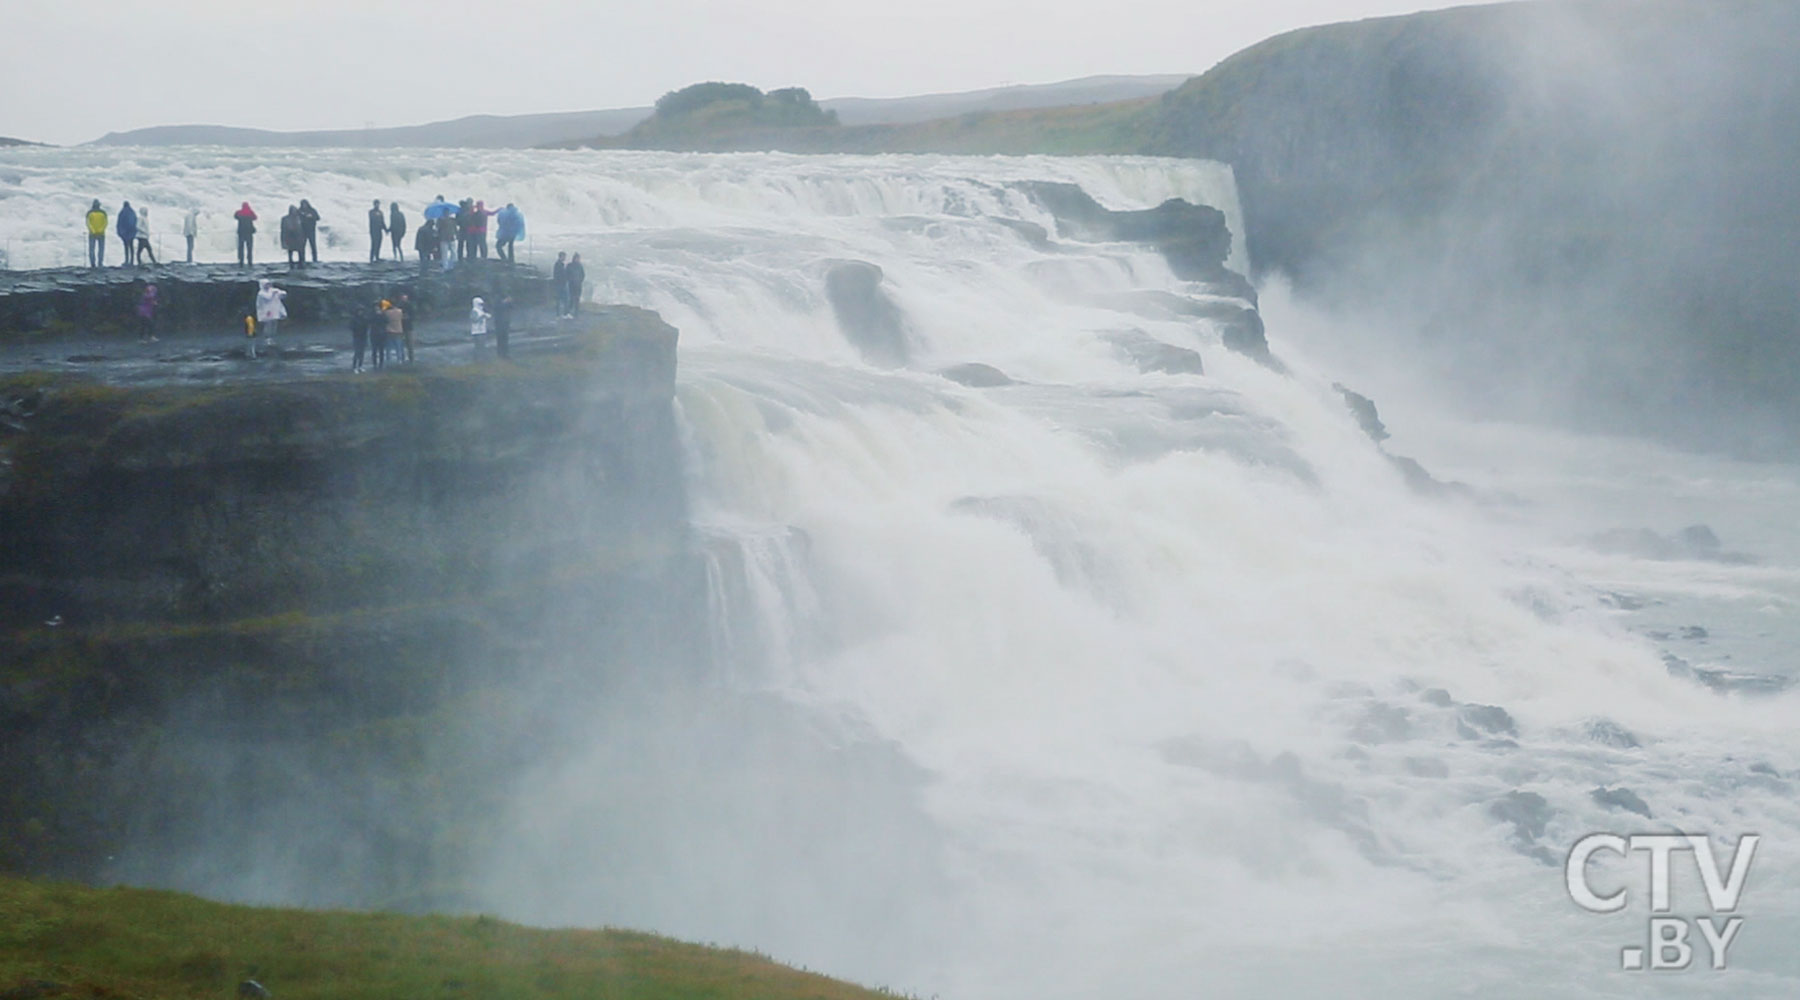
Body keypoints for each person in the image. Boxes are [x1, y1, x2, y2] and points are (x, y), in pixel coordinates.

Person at [255, 279, 288, 352]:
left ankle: (272, 337)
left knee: (274, 323)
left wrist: (281, 293)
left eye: (268, 284)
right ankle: (267, 338)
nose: (268, 286)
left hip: (274, 309)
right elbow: (268, 298)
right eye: (266, 284)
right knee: (268, 324)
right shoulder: (261, 293)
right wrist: (274, 292)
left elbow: (283, 295)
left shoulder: (272, 290)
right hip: (266, 310)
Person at [349, 302, 370, 372]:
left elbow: (367, 327)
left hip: (363, 337)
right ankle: (354, 367)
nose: (360, 312)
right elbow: (351, 327)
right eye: (359, 311)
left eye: (361, 311)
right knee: (357, 352)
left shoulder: (365, 319)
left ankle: (360, 366)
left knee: (362, 353)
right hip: (357, 337)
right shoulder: (354, 319)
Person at [382, 299, 405, 365]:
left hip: (389, 330)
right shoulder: (399, 311)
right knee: (398, 347)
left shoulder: (387, 312)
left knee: (388, 347)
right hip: (398, 330)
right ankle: (399, 359)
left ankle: (388, 359)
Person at [85, 200, 108, 267]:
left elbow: (88, 223)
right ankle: (100, 263)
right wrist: (101, 229)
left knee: (91, 249)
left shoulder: (89, 213)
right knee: (101, 249)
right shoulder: (103, 213)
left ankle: (93, 263)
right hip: (101, 233)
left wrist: (92, 230)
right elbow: (105, 223)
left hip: (92, 234)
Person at [491, 292, 513, 358]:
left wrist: (509, 302)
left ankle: (505, 353)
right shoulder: (497, 304)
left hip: (506, 323)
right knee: (500, 339)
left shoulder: (506, 305)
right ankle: (500, 353)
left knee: (505, 339)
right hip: (499, 324)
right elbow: (497, 308)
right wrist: (505, 302)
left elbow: (512, 307)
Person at [370, 299, 391, 369]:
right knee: (374, 350)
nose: (376, 308)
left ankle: (381, 363)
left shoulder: (383, 314)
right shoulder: (371, 314)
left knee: (381, 350)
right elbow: (369, 321)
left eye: (378, 306)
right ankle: (374, 363)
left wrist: (381, 315)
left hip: (382, 334)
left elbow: (387, 321)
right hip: (374, 334)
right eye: (375, 306)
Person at [117, 201, 138, 266]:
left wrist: (119, 232)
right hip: (131, 232)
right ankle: (132, 261)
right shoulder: (132, 212)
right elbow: (135, 221)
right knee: (131, 246)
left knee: (126, 247)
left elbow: (119, 223)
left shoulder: (122, 212)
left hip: (124, 232)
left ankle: (126, 260)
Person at [564, 253, 585, 318]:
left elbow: (583, 274)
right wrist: (570, 280)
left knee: (577, 299)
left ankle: (576, 312)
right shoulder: (569, 265)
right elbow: (566, 274)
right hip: (572, 285)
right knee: (571, 299)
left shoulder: (580, 266)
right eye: (577, 258)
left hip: (578, 285)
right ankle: (568, 312)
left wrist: (580, 281)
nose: (578, 259)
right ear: (574, 258)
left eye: (579, 258)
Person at [398, 293, 415, 362]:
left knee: (410, 344)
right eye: (403, 298)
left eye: (405, 298)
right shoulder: (399, 306)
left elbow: (413, 316)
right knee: (401, 343)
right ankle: (402, 357)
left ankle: (411, 358)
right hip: (401, 327)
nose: (404, 299)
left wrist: (408, 317)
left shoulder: (410, 306)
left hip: (408, 327)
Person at [551, 251, 567, 317]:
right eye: (564, 256)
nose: (565, 258)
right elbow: (557, 275)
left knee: (562, 299)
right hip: (560, 285)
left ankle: (561, 313)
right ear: (561, 256)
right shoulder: (558, 264)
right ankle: (559, 314)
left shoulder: (561, 264)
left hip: (561, 284)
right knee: (560, 299)